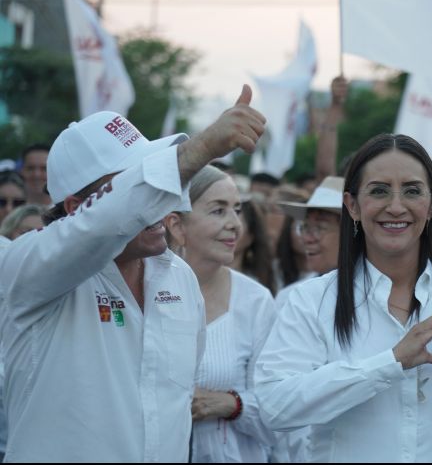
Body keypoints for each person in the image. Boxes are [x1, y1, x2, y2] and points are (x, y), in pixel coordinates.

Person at [0, 85, 266, 462]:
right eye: (135, 184)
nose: (159, 199)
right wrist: (201, 148)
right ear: (77, 206)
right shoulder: (28, 268)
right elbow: (100, 225)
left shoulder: (179, 278)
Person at [254, 133, 432, 462]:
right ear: (353, 206)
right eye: (379, 190)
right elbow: (274, 406)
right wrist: (390, 363)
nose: (396, 206)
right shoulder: (312, 299)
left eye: (412, 191)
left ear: (431, 205)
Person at [164, 165, 277, 463]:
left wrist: (230, 404)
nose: (235, 224)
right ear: (177, 225)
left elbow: (279, 410)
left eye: (237, 210)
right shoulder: (146, 292)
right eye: (218, 211)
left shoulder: (256, 301)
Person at [275, 176, 344, 307]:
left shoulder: (383, 295)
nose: (307, 239)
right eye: (305, 227)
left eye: (320, 228)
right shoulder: (292, 298)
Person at [231, 197, 277, 294]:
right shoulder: (197, 276)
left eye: (236, 227)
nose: (228, 229)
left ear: (251, 236)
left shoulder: (257, 288)